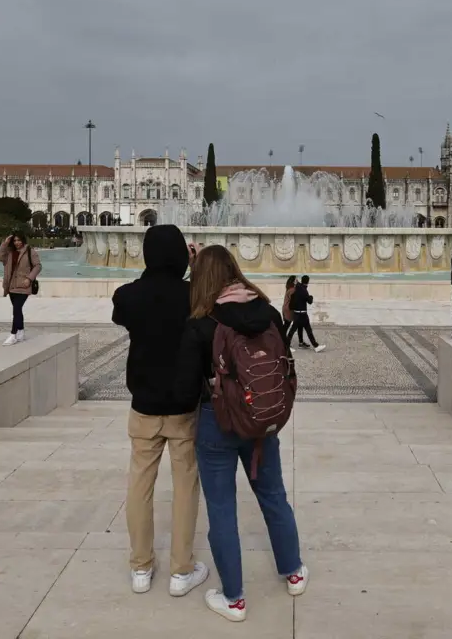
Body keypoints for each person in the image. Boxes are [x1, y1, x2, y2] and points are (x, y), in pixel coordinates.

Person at [175, 245, 307, 622]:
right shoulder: (266, 311)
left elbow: (186, 385)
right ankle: (293, 572)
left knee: (222, 509)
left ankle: (233, 599)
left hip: (216, 421)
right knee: (273, 495)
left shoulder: (200, 321)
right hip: (261, 420)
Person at [110, 225, 207, 598]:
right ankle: (181, 570)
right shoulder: (193, 295)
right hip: (183, 405)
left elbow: (128, 304)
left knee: (140, 485)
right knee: (185, 487)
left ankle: (141, 566)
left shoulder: (129, 296)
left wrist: (152, 275)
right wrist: (194, 268)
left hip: (145, 404)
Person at [0, 233, 41, 346]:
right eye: (15, 240)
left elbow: (38, 266)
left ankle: (13, 334)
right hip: (11, 285)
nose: (17, 242)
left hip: (24, 285)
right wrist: (5, 243)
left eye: (19, 240)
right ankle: (20, 330)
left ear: (23, 240)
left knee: (16, 309)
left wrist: (29, 278)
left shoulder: (30, 251)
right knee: (17, 310)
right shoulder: (9, 252)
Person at [285, 275, 323, 352]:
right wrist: (311, 297)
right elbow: (309, 301)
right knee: (308, 330)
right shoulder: (304, 290)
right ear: (308, 281)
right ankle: (316, 346)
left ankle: (299, 344)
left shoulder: (297, 288)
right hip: (302, 314)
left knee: (295, 330)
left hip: (296, 313)